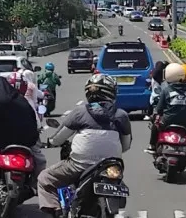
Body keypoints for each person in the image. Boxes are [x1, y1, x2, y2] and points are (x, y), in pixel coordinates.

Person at [37, 74, 132, 217]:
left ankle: (57, 211)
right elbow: (126, 145)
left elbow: (58, 139)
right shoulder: (121, 115)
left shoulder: (79, 112)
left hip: (79, 165)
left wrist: (50, 142)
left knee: (45, 178)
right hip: (110, 167)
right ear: (112, 92)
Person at [0, 74, 46, 190]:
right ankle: (38, 183)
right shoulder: (22, 100)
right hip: (27, 140)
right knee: (40, 159)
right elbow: (32, 118)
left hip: (3, 140)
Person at [145, 63, 186, 157]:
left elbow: (159, 108)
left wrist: (155, 115)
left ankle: (152, 146)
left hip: (167, 121)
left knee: (155, 125)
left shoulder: (166, 90)